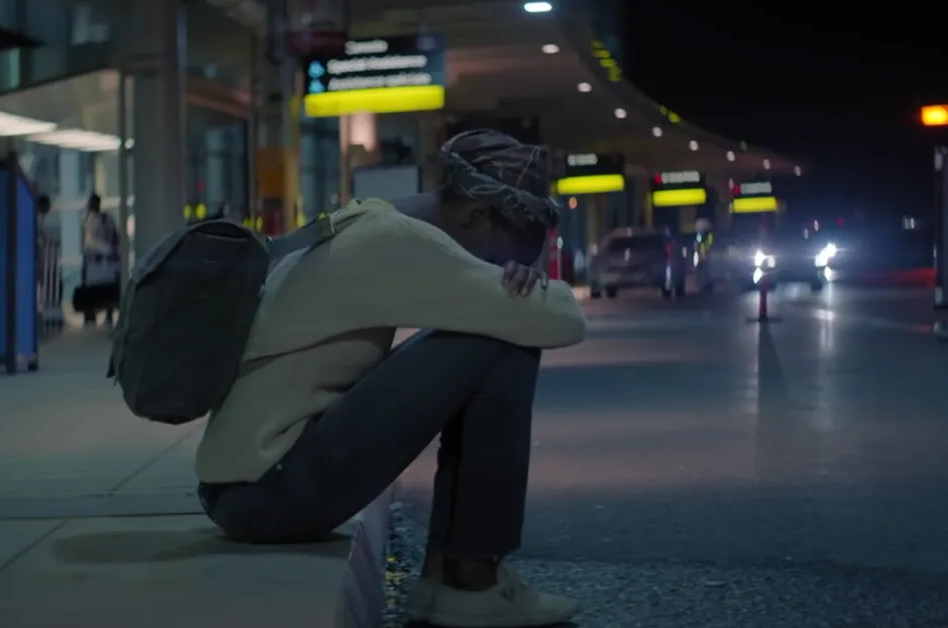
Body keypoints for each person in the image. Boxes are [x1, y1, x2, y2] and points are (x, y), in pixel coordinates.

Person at [196, 129, 588, 627]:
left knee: (486, 328)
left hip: (247, 486)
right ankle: (470, 580)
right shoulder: (403, 242)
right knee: (501, 341)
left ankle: (448, 580)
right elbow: (565, 321)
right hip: (266, 495)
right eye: (496, 254)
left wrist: (513, 285)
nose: (491, 267)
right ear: (474, 215)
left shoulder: (372, 218)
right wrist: (526, 293)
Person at [78, 193, 120, 325]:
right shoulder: (89, 219)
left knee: (105, 287)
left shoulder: (106, 219)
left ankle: (105, 314)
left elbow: (114, 237)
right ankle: (93, 315)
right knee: (97, 288)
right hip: (95, 261)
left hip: (103, 261)